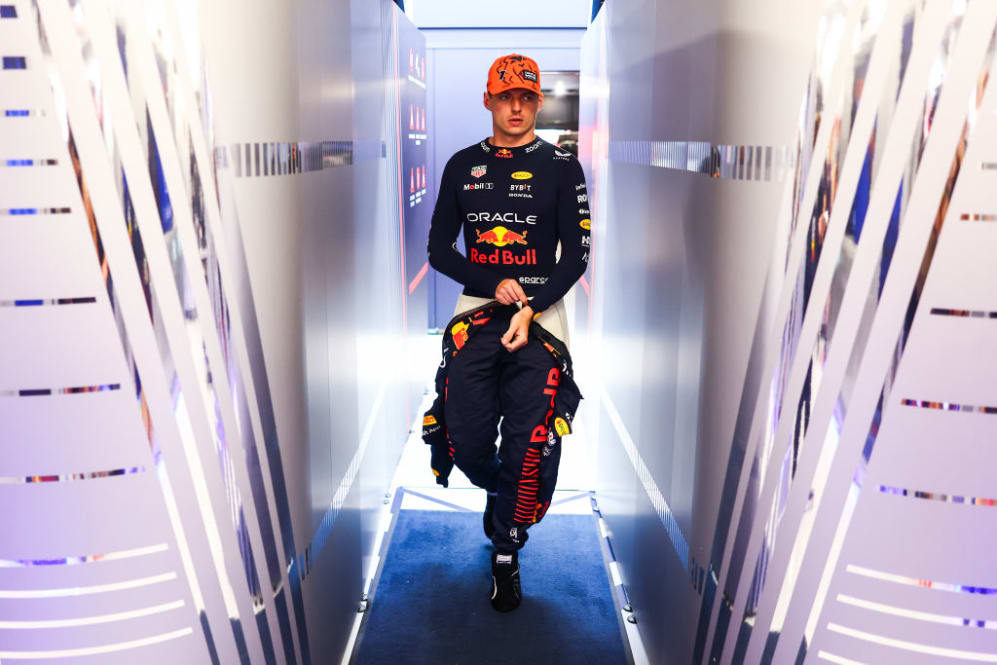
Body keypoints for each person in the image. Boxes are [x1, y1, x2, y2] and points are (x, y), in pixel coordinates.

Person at [424, 54, 590, 612]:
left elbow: (577, 257)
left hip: (541, 326)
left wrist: (531, 306)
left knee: (529, 450)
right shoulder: (460, 165)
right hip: (476, 317)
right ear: (488, 101)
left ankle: (505, 549)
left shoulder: (562, 167)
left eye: (526, 97)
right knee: (467, 440)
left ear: (539, 102)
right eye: (505, 97)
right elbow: (438, 251)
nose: (515, 107)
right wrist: (494, 285)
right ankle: (500, 498)